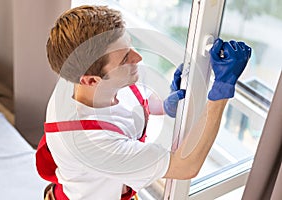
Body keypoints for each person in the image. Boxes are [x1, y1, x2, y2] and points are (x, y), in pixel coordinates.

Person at [35, 5, 251, 200]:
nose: (138, 58)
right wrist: (222, 89)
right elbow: (185, 166)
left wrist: (164, 105)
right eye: (125, 58)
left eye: (131, 47)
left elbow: (127, 105)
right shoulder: (91, 141)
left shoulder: (81, 74)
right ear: (92, 81)